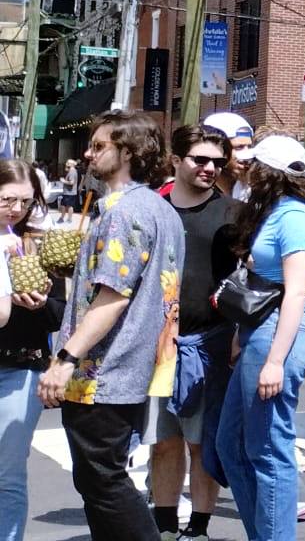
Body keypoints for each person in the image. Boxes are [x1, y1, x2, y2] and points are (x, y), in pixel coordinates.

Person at [37, 112, 183, 540]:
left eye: (99, 146)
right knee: (100, 479)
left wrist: (65, 359)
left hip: (106, 372)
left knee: (103, 480)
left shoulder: (125, 212)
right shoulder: (160, 209)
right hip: (135, 367)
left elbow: (112, 297)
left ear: (129, 152)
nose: (87, 152)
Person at [211, 134, 305, 541]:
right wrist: (245, 336)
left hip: (279, 334)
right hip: (262, 331)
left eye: (254, 163)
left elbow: (295, 291)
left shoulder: (294, 217)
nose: (246, 166)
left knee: (268, 451)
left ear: (269, 172)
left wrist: (275, 360)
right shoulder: (274, 211)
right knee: (231, 445)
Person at [147, 126, 241, 540]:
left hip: (211, 342)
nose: (209, 168)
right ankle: (165, 526)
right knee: (163, 442)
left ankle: (198, 529)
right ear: (176, 160)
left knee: (202, 443)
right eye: (200, 159)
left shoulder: (233, 214)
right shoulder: (151, 207)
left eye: (217, 162)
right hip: (154, 345)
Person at [0, 159, 54, 541]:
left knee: (8, 473)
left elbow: (60, 316)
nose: (16, 209)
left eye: (26, 201)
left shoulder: (37, 243)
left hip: (22, 362)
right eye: (7, 200)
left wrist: (37, 299)